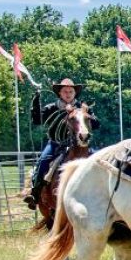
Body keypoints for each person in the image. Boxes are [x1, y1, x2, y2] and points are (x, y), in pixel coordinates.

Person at [23, 78, 99, 209]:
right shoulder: (52, 108)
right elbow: (36, 120)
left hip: (80, 145)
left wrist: (90, 116)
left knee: (100, 160)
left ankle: (102, 192)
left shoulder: (82, 108)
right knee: (43, 161)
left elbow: (97, 124)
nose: (68, 94)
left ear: (75, 93)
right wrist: (36, 101)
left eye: (71, 91)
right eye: (65, 91)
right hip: (56, 144)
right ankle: (35, 194)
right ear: (60, 93)